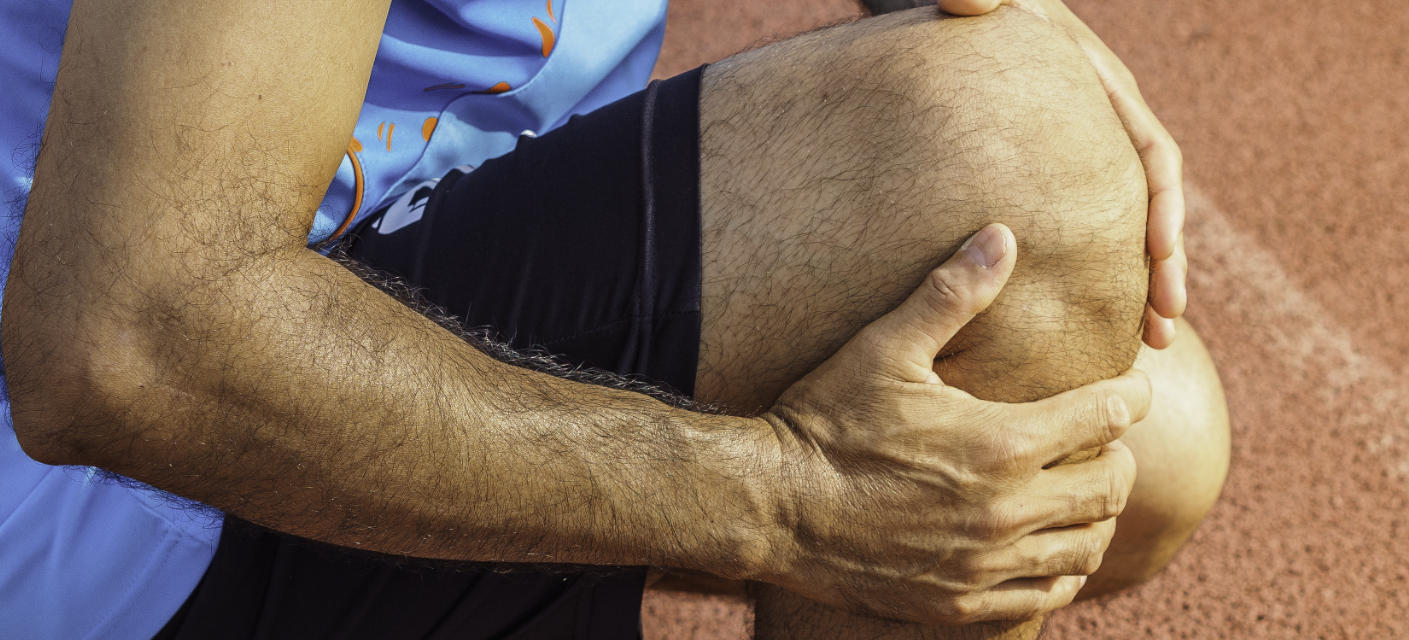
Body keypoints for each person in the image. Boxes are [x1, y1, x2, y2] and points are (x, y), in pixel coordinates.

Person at [0, 1, 1229, 638]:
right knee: (993, 148)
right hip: (101, 523)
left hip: (357, 298)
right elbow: (122, 349)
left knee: (1118, 440)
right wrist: (782, 499)